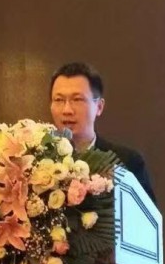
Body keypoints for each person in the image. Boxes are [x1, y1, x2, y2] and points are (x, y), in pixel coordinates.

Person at [49, 61, 156, 203]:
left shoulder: (126, 162)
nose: (67, 110)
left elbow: (145, 216)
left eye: (77, 99)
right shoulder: (38, 163)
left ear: (99, 106)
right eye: (59, 100)